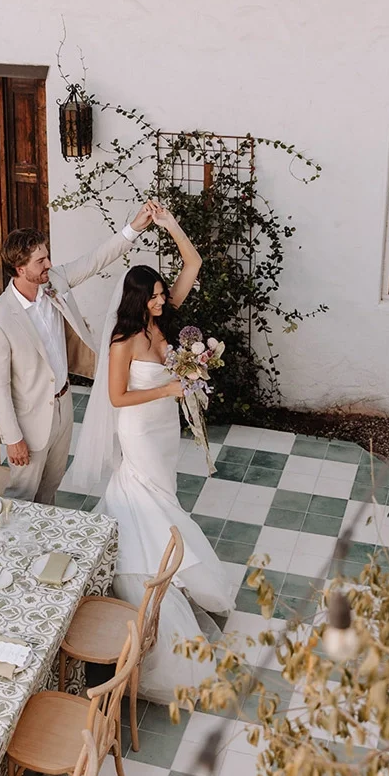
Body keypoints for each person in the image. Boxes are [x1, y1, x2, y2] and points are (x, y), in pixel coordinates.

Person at [73, 204, 234, 702]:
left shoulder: (166, 324)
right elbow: (117, 398)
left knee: (163, 496)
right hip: (139, 430)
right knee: (147, 502)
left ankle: (164, 567)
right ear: (140, 299)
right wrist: (168, 391)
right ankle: (144, 577)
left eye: (165, 293)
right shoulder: (124, 339)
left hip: (166, 432)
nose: (165, 300)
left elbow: (194, 264)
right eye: (158, 296)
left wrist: (168, 225)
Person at [0, 202, 155, 504]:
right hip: (30, 420)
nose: (49, 264)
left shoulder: (54, 282)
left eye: (47, 257)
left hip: (63, 406)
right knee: (21, 495)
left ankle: (43, 546)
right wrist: (13, 439)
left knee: (50, 488)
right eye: (41, 261)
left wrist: (135, 227)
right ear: (20, 269)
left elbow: (96, 259)